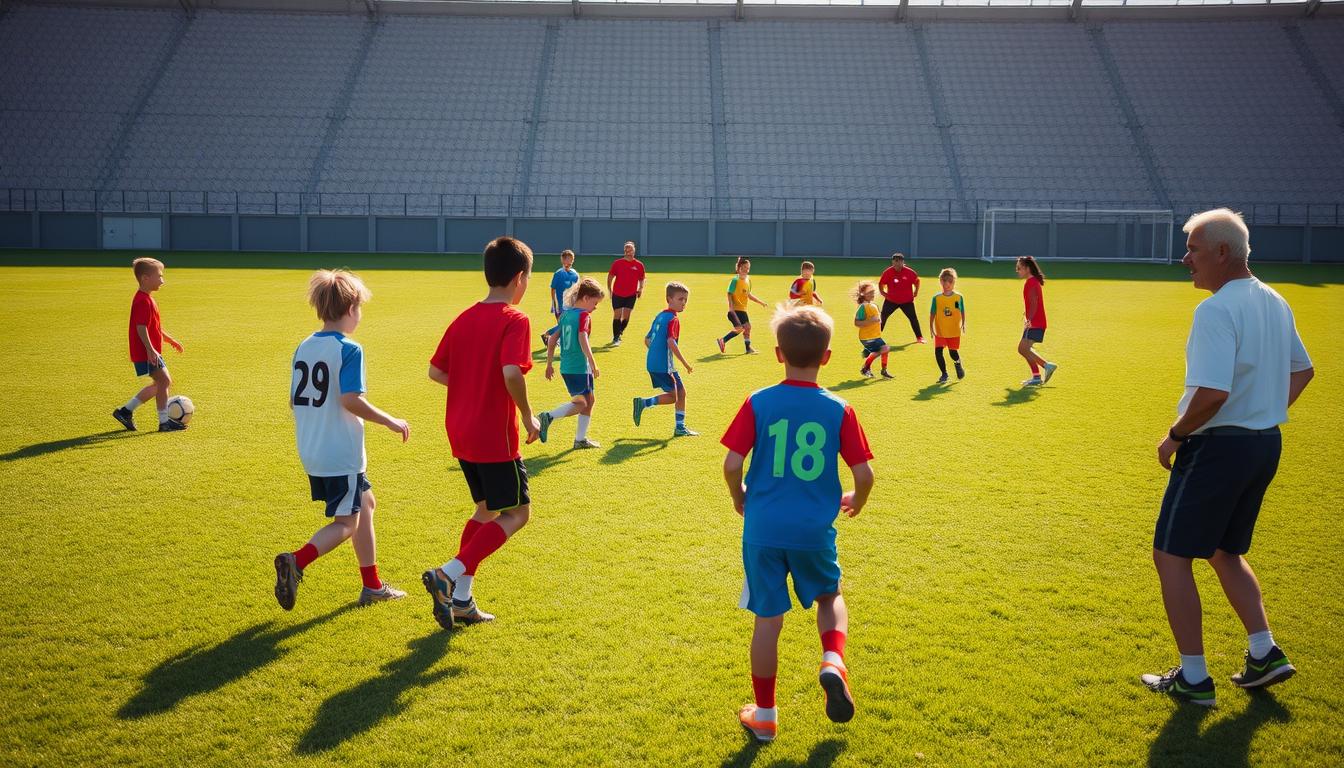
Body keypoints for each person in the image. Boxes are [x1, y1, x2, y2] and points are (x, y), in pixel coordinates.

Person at [1142, 209, 1314, 706]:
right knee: (1225, 551)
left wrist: (1174, 435)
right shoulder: (1275, 300)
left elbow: (1213, 392)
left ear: (1222, 252)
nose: (1185, 259)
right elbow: (1303, 370)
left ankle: (1193, 678)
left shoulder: (1215, 310)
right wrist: (1263, 410)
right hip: (1263, 444)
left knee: (1171, 556)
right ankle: (1265, 652)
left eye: (1193, 249)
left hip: (1218, 448)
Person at [721, 303, 875, 742]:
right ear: (827, 357)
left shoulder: (758, 401)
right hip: (813, 529)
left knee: (767, 621)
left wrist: (739, 497)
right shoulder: (839, 408)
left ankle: (766, 717)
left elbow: (733, 463)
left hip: (764, 529)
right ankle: (832, 659)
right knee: (830, 596)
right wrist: (856, 501)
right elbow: (864, 474)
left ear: (777, 354)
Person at [424, 236, 542, 630]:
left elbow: (437, 371)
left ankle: (462, 602)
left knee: (486, 509)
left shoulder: (464, 317)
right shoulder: (515, 319)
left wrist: (471, 385)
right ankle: (448, 573)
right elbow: (511, 372)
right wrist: (528, 416)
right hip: (494, 434)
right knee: (518, 512)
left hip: (460, 431)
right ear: (521, 278)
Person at [274, 270, 410, 611]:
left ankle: (373, 585)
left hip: (312, 448)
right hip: (341, 452)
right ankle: (297, 561)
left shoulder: (304, 346)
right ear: (351, 308)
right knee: (346, 524)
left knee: (366, 504)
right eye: (360, 308)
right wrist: (391, 421)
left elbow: (294, 400)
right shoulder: (349, 349)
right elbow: (351, 399)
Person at [112, 257, 187, 432]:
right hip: (147, 352)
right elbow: (141, 328)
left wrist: (169, 340)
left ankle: (125, 411)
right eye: (159, 276)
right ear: (145, 278)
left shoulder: (148, 299)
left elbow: (154, 327)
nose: (163, 280)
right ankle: (164, 423)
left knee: (160, 384)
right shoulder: (142, 301)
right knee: (164, 381)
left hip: (149, 351)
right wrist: (151, 349)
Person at [541, 278, 605, 449]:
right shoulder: (584, 315)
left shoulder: (566, 314)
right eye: (595, 302)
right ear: (585, 298)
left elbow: (552, 339)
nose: (595, 307)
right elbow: (582, 338)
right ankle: (548, 416)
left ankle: (580, 439)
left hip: (567, 367)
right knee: (582, 403)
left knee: (589, 400)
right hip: (579, 367)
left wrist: (549, 364)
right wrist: (593, 362)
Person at [632, 282, 697, 437]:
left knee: (681, 392)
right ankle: (644, 403)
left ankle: (680, 427)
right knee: (674, 396)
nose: (683, 303)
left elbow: (647, 340)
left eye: (685, 300)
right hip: (664, 366)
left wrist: (656, 352)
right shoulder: (673, 319)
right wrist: (685, 363)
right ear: (669, 299)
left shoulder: (661, 316)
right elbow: (671, 342)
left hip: (654, 363)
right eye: (680, 299)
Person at [1016, 255, 1057, 386]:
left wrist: (1030, 319)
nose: (1017, 270)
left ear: (1027, 268)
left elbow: (1034, 303)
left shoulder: (1031, 282)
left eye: (1019, 268)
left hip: (1035, 323)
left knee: (1023, 348)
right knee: (1024, 349)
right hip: (1036, 322)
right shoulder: (1032, 282)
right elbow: (1032, 303)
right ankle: (1038, 375)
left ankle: (1045, 367)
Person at [717, 257, 768, 354]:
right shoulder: (735, 280)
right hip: (735, 310)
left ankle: (747, 349)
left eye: (748, 268)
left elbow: (749, 295)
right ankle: (723, 340)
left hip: (742, 310)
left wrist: (760, 302)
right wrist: (731, 307)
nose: (746, 270)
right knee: (741, 328)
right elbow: (729, 293)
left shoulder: (748, 280)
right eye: (744, 267)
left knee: (747, 327)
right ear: (739, 267)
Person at [928, 268, 966, 383]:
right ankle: (944, 374)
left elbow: (962, 310)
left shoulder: (958, 297)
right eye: (944, 281)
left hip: (953, 330)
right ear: (940, 281)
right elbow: (932, 312)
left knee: (952, 352)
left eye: (949, 282)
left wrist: (963, 323)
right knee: (938, 351)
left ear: (954, 282)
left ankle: (958, 363)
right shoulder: (937, 298)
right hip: (940, 330)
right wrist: (931, 326)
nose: (947, 284)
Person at [878, 252, 924, 343]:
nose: (896, 264)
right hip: (891, 301)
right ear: (892, 262)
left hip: (906, 301)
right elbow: (881, 284)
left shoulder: (910, 272)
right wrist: (883, 293)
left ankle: (919, 337)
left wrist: (916, 291)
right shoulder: (887, 272)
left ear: (903, 262)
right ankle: (876, 336)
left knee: (913, 318)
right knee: (883, 317)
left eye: (899, 262)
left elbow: (917, 281)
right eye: (895, 262)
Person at [606, 241, 645, 346]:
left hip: (631, 294)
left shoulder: (639, 265)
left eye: (630, 250)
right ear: (624, 251)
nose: (628, 252)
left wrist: (641, 288)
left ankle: (619, 332)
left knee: (626, 317)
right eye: (626, 250)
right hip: (618, 294)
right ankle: (616, 338)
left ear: (634, 250)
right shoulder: (617, 263)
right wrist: (609, 289)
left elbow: (642, 278)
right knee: (617, 315)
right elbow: (610, 277)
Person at [851, 281, 892, 379]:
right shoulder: (863, 307)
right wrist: (871, 321)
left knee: (885, 350)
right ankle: (866, 368)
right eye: (869, 292)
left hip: (875, 336)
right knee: (885, 349)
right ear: (863, 294)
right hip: (867, 336)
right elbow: (857, 323)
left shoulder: (873, 305)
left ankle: (883, 370)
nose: (872, 294)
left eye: (873, 291)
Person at [540, 249, 579, 348]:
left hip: (571, 305)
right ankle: (556, 340)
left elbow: (577, 289)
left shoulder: (575, 274)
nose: (569, 261)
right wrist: (554, 304)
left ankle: (547, 335)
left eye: (571, 259)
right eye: (567, 259)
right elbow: (553, 289)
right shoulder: (558, 273)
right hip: (560, 305)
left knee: (565, 325)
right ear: (562, 260)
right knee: (564, 324)